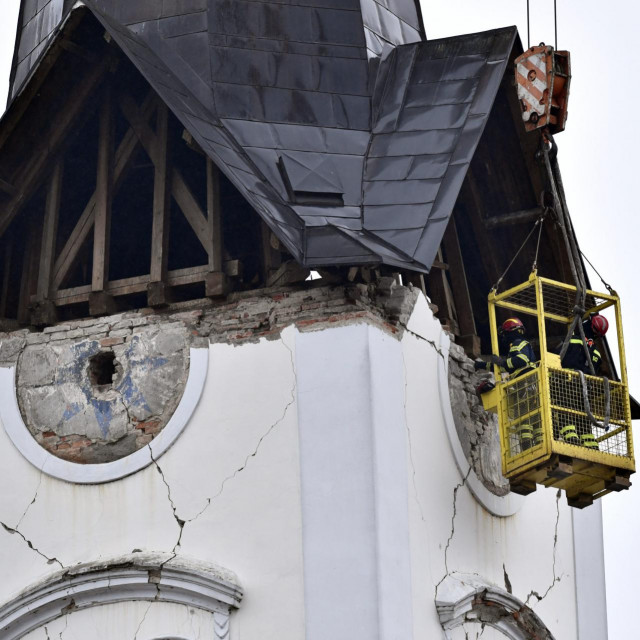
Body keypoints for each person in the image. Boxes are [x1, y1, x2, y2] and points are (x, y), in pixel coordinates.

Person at [474, 318, 539, 450]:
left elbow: (519, 361)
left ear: (510, 332)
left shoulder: (517, 343)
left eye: (504, 334)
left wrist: (502, 362)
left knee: (524, 417)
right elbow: (505, 368)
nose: (504, 338)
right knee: (531, 419)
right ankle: (536, 447)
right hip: (530, 384)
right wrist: (482, 365)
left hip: (525, 383)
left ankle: (528, 449)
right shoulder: (521, 345)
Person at [557, 314, 609, 449]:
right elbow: (594, 369)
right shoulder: (596, 352)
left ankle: (570, 436)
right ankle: (589, 442)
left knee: (565, 406)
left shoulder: (574, 340)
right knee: (583, 412)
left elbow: (561, 358)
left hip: (569, 381)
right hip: (584, 387)